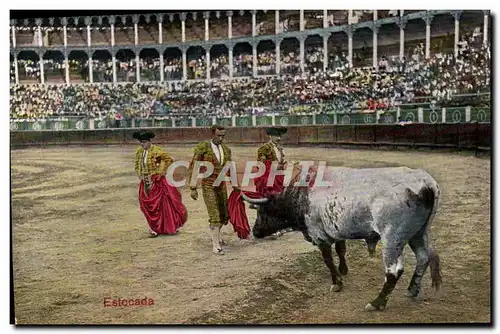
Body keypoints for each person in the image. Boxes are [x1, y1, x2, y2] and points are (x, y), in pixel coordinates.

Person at [187, 125, 238, 255]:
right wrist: (193, 187)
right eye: (218, 136)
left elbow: (229, 168)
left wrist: (235, 185)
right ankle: (216, 245)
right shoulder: (203, 147)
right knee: (214, 215)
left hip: (221, 185)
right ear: (212, 134)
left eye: (223, 136)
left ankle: (218, 237)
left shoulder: (226, 150)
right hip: (208, 185)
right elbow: (195, 166)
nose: (221, 138)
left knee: (223, 214)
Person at [133, 130, 188, 237]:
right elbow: (137, 164)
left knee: (159, 205)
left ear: (149, 141)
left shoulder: (157, 151)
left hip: (157, 180)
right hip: (145, 181)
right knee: (147, 205)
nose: (142, 144)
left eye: (144, 142)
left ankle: (162, 227)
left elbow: (168, 160)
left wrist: (159, 172)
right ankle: (154, 227)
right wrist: (140, 174)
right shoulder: (139, 151)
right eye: (141, 142)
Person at [253, 127, 290, 237]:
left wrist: (283, 164)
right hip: (268, 180)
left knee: (278, 204)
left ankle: (277, 227)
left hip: (278, 179)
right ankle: (264, 227)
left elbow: (280, 163)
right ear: (270, 136)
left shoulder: (279, 148)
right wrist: (275, 165)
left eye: (279, 136)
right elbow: (261, 165)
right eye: (276, 136)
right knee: (267, 205)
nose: (278, 138)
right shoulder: (264, 149)